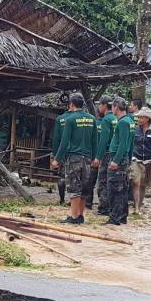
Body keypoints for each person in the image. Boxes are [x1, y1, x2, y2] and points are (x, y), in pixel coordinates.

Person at [51, 93, 97, 224]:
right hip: (88, 158)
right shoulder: (92, 119)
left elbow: (64, 142)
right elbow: (95, 140)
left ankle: (74, 216)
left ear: (71, 104)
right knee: (84, 187)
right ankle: (80, 215)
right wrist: (95, 157)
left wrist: (57, 159)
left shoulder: (70, 120)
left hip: (74, 158)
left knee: (74, 187)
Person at [129, 107, 151, 214]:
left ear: (147, 119)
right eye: (138, 117)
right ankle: (136, 207)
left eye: (141, 117)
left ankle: (139, 205)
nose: (139, 119)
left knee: (143, 184)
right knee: (135, 181)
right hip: (136, 159)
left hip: (149, 161)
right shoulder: (135, 130)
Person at [104, 97, 133, 225]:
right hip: (123, 158)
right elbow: (130, 143)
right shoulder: (129, 121)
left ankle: (115, 217)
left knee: (114, 189)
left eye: (112, 107)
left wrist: (115, 160)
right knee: (122, 188)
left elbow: (122, 144)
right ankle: (122, 216)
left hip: (118, 158)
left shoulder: (123, 122)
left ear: (116, 106)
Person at [51, 104, 73, 205]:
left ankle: (62, 199)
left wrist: (56, 156)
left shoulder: (60, 119)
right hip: (76, 153)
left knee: (61, 177)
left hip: (62, 153)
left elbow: (55, 139)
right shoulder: (82, 118)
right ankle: (73, 201)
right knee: (75, 177)